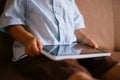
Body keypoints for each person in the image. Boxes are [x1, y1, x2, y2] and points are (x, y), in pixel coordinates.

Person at [0, 0, 120, 80]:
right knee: (70, 70)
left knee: (104, 61)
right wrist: (27, 40)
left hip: (72, 50)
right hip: (38, 53)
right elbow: (12, 23)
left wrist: (85, 39)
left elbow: (75, 28)